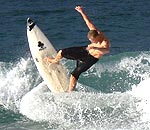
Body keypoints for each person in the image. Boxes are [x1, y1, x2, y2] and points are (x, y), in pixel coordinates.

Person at [43, 6, 110, 91]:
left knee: (74, 74)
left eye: (92, 40)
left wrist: (94, 46)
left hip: (91, 59)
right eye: (90, 40)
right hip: (85, 51)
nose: (91, 41)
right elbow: (87, 22)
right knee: (61, 52)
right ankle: (55, 60)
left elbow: (107, 50)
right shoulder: (94, 31)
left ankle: (70, 93)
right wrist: (82, 12)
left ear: (97, 37)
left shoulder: (104, 42)